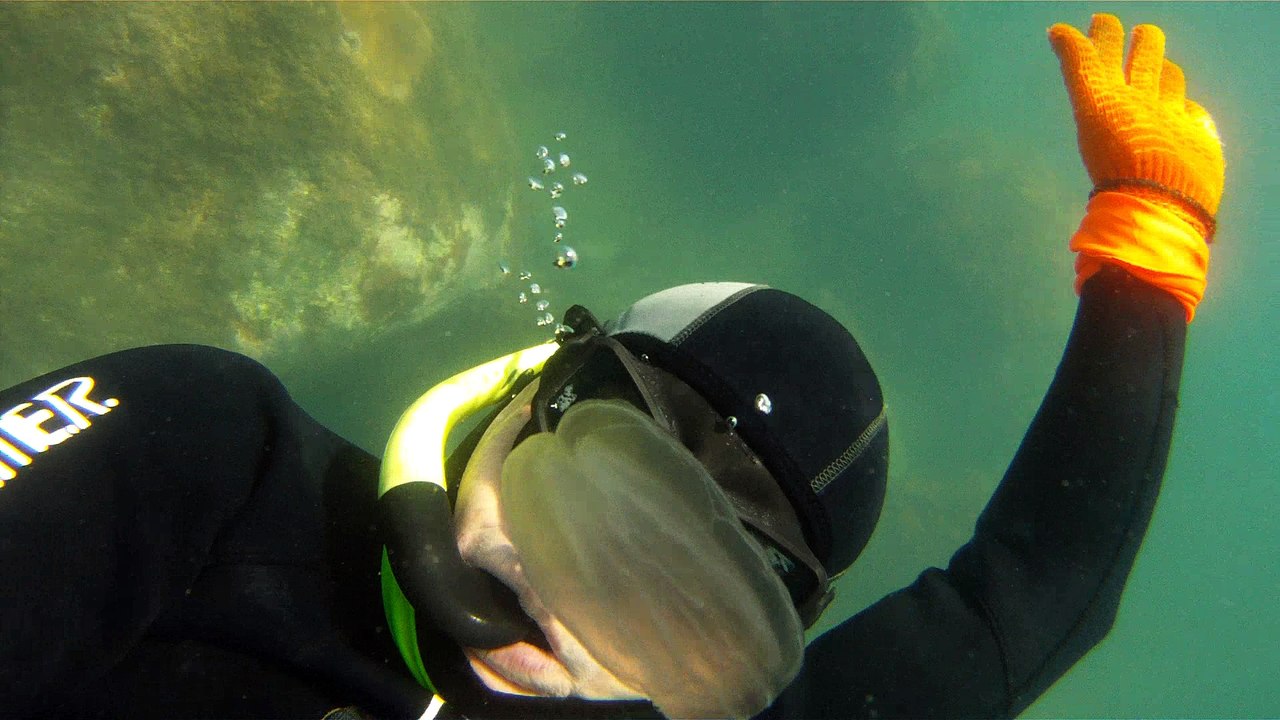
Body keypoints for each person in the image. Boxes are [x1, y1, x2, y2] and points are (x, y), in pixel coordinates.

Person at [0, 13, 1225, 719]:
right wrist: (1142, 254)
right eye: (597, 509)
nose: (566, 613)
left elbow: (1030, 596)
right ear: (541, 392)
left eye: (685, 602)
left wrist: (1151, 243)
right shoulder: (204, 459)